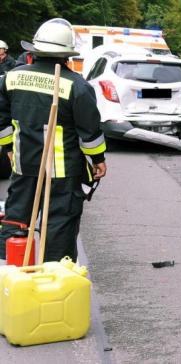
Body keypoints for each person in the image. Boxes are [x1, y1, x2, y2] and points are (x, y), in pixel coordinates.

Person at [0, 18, 107, 263]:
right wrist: (98, 160)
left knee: (17, 222)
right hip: (62, 172)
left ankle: (12, 275)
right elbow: (89, 133)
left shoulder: (11, 78)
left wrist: (8, 147)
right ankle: (52, 284)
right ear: (66, 56)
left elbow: (1, 120)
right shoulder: (77, 86)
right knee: (59, 229)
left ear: (34, 51)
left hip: (24, 165)